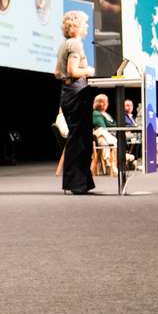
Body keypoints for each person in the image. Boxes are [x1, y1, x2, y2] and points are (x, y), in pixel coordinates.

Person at [54, 10, 96, 193]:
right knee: (79, 139)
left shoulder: (64, 45)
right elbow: (72, 71)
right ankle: (77, 184)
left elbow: (57, 72)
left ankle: (79, 183)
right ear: (77, 25)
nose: (87, 27)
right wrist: (89, 71)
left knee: (77, 138)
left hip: (67, 92)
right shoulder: (76, 44)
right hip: (77, 93)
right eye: (85, 23)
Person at [92, 93, 116, 174]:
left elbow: (113, 124)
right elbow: (102, 126)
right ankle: (108, 164)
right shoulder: (96, 113)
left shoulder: (106, 114)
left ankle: (108, 163)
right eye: (106, 102)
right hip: (98, 137)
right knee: (102, 135)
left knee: (104, 140)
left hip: (107, 136)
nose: (107, 104)